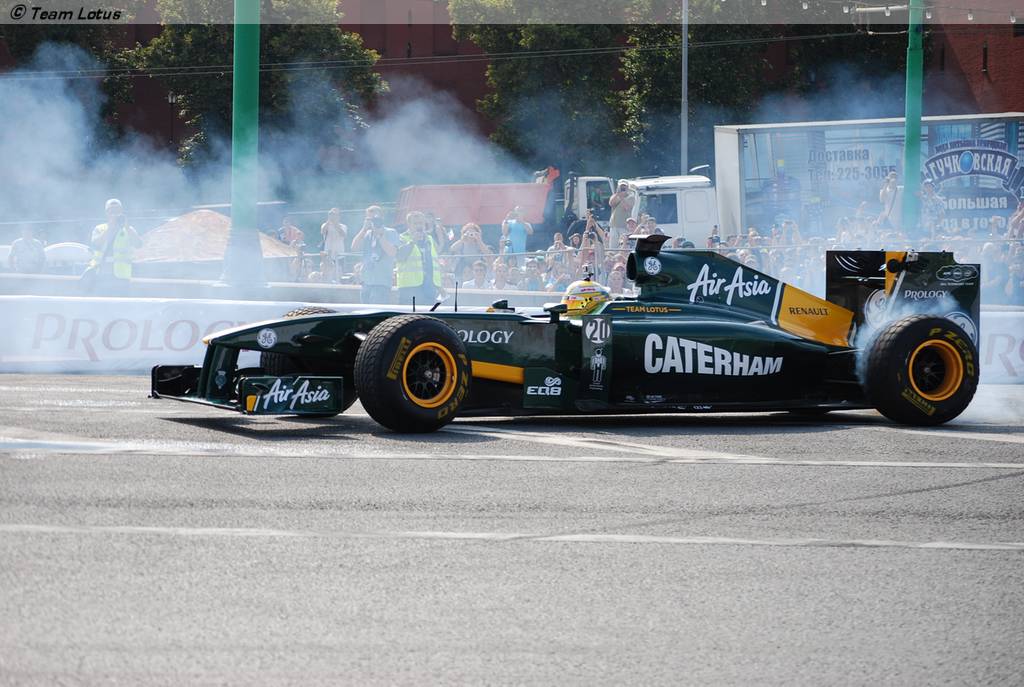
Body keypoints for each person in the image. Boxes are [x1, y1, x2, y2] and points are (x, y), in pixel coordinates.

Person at [396, 211, 445, 306]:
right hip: (410, 287)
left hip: (429, 286)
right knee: (410, 314)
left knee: (427, 313)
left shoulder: (429, 239)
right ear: (409, 224)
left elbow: (435, 262)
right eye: (415, 223)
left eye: (421, 223)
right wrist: (413, 241)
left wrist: (439, 286)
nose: (419, 226)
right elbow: (400, 257)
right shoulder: (402, 237)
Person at [351, 205, 398, 304]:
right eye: (369, 219)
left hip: (382, 282)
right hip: (366, 281)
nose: (373, 221)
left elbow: (392, 252)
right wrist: (364, 229)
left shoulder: (390, 232)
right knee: (365, 311)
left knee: (377, 310)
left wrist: (380, 235)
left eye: (375, 219)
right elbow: (354, 248)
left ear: (382, 218)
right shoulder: (367, 234)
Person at [89, 198, 142, 284]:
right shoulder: (99, 229)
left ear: (121, 212)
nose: (114, 214)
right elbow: (95, 245)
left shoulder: (128, 229)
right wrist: (110, 228)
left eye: (117, 211)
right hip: (100, 274)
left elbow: (138, 244)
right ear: (106, 213)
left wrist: (127, 227)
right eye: (112, 211)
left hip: (121, 276)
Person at [607, 180, 635, 249]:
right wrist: (617, 194)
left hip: (624, 225)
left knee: (623, 245)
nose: (623, 188)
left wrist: (622, 197)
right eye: (621, 187)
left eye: (624, 187)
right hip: (614, 225)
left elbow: (627, 208)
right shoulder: (615, 196)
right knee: (613, 246)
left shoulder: (631, 197)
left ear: (627, 188)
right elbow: (611, 203)